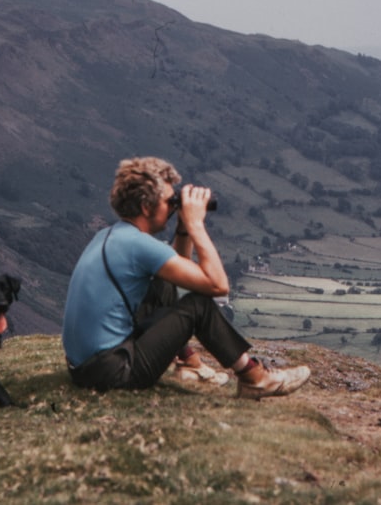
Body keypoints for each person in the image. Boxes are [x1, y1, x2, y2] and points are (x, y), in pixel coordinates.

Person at [62, 156, 310, 399]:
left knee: (165, 282)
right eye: (170, 201)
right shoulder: (139, 245)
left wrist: (182, 229)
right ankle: (255, 379)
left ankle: (190, 364)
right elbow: (218, 285)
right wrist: (195, 225)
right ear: (147, 207)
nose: (174, 206)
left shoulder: (112, 235)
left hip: (86, 369)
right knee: (198, 305)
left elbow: (177, 267)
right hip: (114, 373)